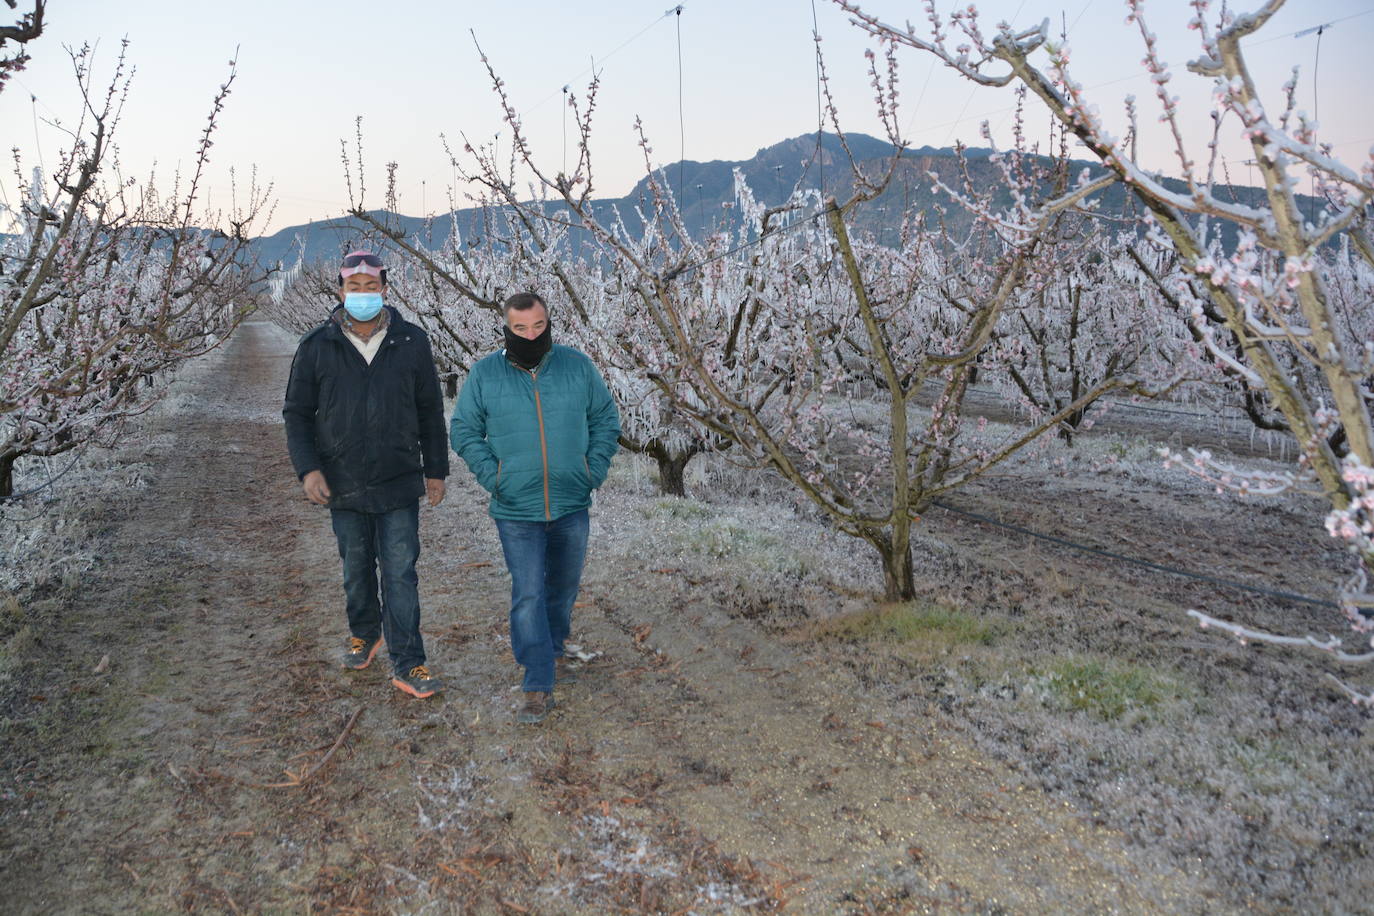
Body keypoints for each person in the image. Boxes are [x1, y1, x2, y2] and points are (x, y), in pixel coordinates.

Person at [282, 250, 449, 698]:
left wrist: (436, 470)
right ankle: (365, 632)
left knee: (400, 572)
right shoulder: (318, 345)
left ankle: (409, 661)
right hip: (343, 478)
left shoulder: (411, 341)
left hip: (398, 477)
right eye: (354, 287)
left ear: (384, 290)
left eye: (371, 287)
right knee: (355, 568)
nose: (362, 294)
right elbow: (297, 413)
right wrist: (308, 469)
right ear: (341, 292)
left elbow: (430, 410)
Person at [451, 292, 620, 723]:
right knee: (528, 592)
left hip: (571, 501)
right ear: (506, 328)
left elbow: (605, 418)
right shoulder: (485, 374)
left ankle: (554, 646)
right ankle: (537, 680)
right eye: (521, 328)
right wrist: (495, 476)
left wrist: (592, 468)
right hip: (516, 507)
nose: (531, 335)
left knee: (563, 588)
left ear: (549, 323)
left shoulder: (576, 366)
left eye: (539, 326)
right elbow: (464, 430)